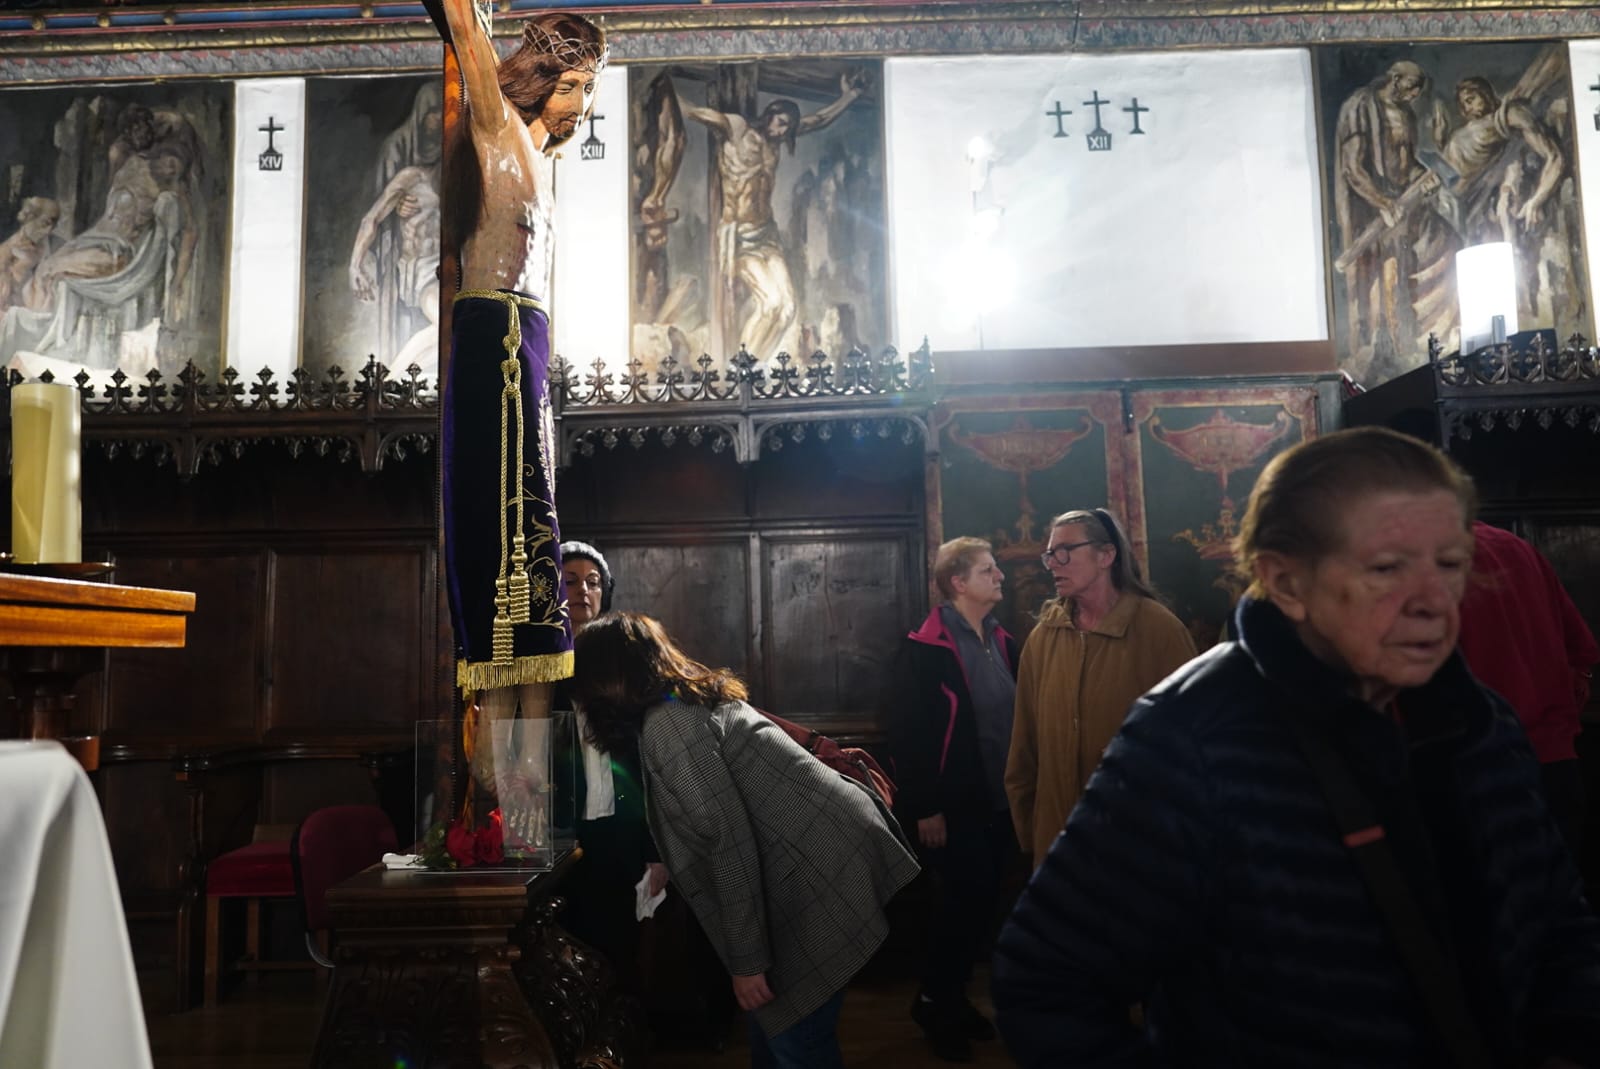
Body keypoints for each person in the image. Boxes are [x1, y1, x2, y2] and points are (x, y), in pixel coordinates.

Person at [992, 427, 1600, 1067]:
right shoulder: (1191, 736)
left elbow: (1558, 928)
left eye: (1449, 564)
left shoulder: (1481, 722)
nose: (1432, 601)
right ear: (1284, 582)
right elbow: (1046, 980)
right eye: (1386, 568)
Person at [571, 612, 919, 1069]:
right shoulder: (677, 705)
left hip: (819, 867)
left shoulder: (670, 725)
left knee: (797, 1038)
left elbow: (727, 843)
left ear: (606, 678)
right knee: (773, 1028)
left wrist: (748, 963)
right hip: (809, 862)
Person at [434, 5, 606, 758]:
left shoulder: (542, 158)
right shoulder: (496, 125)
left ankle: (526, 792)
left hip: (527, 352)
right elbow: (467, 29)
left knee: (534, 543)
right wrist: (471, 20)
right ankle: (502, 787)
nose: (583, 103)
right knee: (496, 537)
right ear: (541, 78)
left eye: (591, 88)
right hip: (493, 343)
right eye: (573, 85)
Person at [885, 536, 1019, 1062]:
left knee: (982, 906)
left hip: (997, 801)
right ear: (958, 583)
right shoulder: (924, 647)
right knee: (959, 908)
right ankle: (934, 1002)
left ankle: (951, 998)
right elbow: (908, 733)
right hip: (950, 806)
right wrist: (925, 807)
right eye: (989, 571)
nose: (1001, 577)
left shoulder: (1004, 640)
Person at [1004, 508, 1195, 865]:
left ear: (1106, 555)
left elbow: (1193, 740)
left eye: (1065, 551)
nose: (1053, 564)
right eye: (1050, 554)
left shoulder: (1159, 631)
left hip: (1138, 844)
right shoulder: (1043, 637)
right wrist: (1031, 831)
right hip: (1057, 844)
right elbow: (1024, 746)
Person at [676, 73, 866, 360]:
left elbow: (819, 120)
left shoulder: (777, 143)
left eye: (786, 128)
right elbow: (693, 112)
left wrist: (849, 97)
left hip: (767, 233)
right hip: (738, 235)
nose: (780, 132)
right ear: (770, 115)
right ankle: (744, 369)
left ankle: (752, 367)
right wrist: (665, 87)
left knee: (788, 308)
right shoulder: (737, 129)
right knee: (771, 303)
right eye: (779, 124)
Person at [549, 540, 666, 992]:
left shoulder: (625, 662)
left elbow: (648, 763)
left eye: (593, 583)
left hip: (621, 830)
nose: (583, 591)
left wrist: (655, 850)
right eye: (571, 580)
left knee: (620, 951)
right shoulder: (536, 664)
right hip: (562, 833)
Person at [1457, 519, 1599, 858]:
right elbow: (1581, 654)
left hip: (1466, 778)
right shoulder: (1514, 545)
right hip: (1552, 767)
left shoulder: (1404, 559)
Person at [1333, 60, 1456, 382]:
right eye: (1412, 85)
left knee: (1446, 242)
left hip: (1404, 206)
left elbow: (1406, 160)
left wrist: (1424, 179)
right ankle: (1385, 349)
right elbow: (1352, 166)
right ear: (1395, 79)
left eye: (1419, 89)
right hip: (1373, 208)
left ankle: (1426, 340)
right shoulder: (1360, 105)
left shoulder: (1407, 114)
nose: (1416, 93)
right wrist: (1382, 202)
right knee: (1384, 274)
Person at [0, 198, 61, 316]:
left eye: (53, 225)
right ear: (29, 218)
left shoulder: (57, 245)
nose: (48, 231)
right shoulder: (6, 251)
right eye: (45, 223)